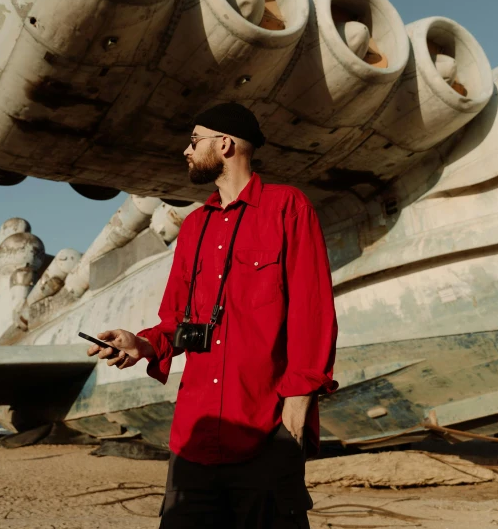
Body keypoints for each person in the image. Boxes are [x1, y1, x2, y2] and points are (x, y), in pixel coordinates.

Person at [87, 102, 338, 528]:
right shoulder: (194, 228)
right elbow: (173, 322)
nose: (186, 151)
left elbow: (312, 319)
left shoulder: (287, 207)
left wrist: (292, 429)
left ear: (225, 144)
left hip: (264, 434)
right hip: (193, 443)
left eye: (193, 141)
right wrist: (143, 343)